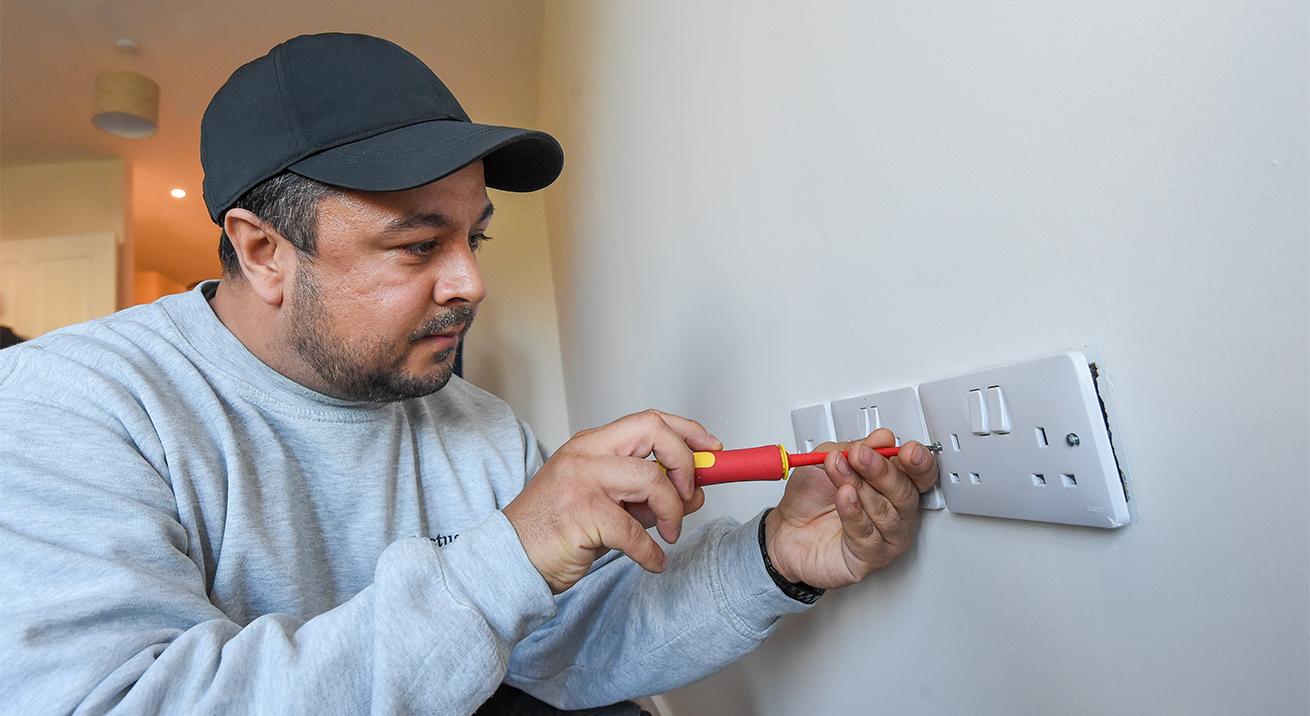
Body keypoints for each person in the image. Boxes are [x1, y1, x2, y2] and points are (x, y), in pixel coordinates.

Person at [0, 33, 938, 714]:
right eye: (417, 246)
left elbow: (567, 654)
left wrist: (778, 558)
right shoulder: (70, 407)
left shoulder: (474, 426)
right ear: (263, 252)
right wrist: (508, 554)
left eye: (474, 236)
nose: (472, 282)